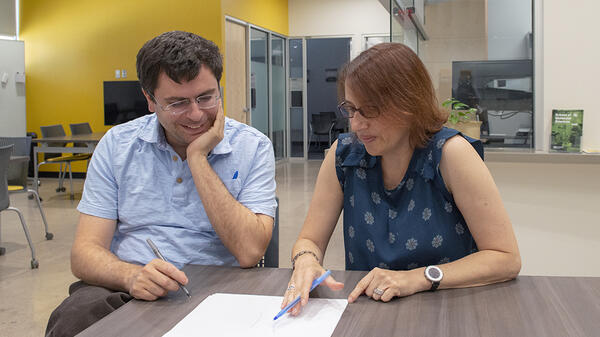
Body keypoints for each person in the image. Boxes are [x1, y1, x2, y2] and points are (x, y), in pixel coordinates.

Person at [46, 31, 277, 336]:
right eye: (178, 103)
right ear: (150, 100)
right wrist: (131, 275)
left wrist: (198, 159)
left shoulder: (253, 146)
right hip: (132, 285)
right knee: (73, 317)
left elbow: (249, 251)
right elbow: (85, 253)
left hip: (221, 288)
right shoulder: (118, 145)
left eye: (206, 97)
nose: (196, 114)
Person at [281, 43, 521, 316]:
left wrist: (417, 278)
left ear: (408, 104)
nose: (357, 125)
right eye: (351, 109)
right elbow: (309, 240)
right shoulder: (344, 156)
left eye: (369, 110)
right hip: (370, 313)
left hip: (449, 311)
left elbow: (505, 258)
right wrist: (305, 261)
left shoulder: (451, 154)